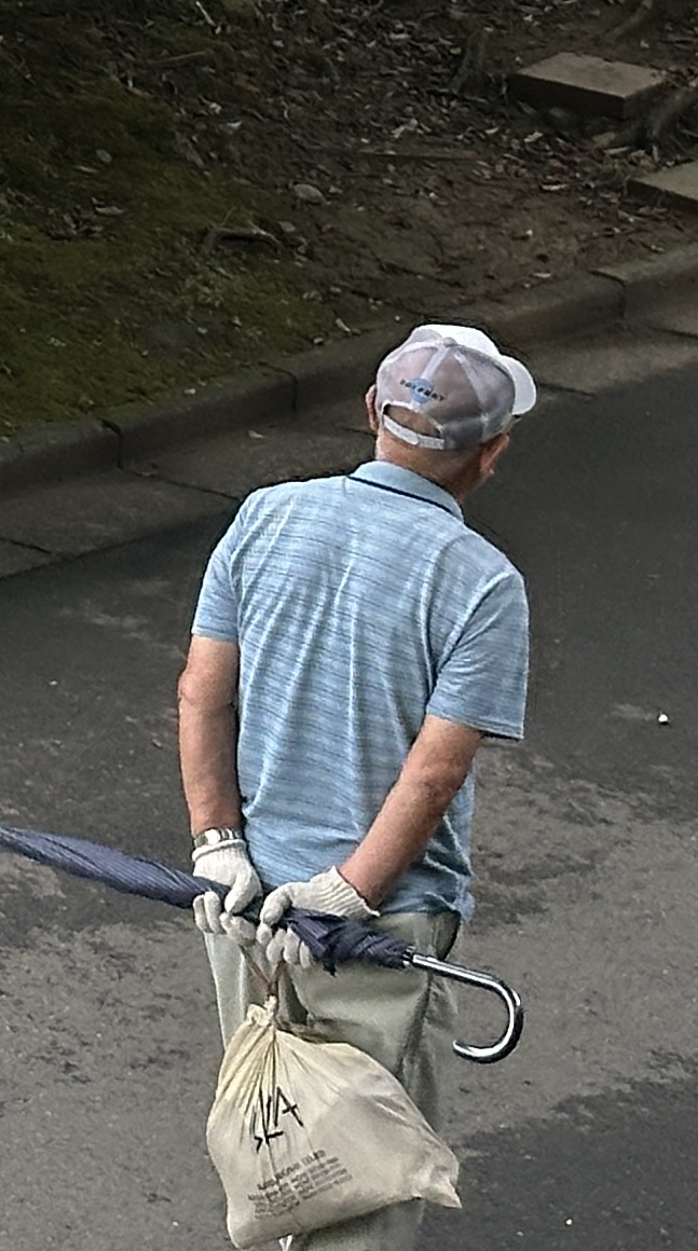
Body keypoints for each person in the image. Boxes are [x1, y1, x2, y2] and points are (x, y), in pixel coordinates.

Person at [178, 327, 537, 1246]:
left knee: (273, 1149)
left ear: (373, 410)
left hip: (248, 906)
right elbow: (436, 768)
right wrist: (349, 891)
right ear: (491, 453)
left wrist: (217, 844)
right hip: (374, 927)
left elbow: (203, 692)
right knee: (362, 1186)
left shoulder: (265, 515)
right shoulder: (481, 584)